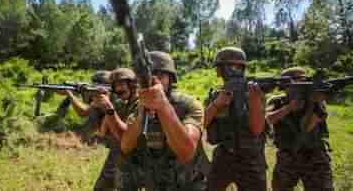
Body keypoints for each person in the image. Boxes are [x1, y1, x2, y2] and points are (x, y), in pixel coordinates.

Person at [118, 51, 209, 191]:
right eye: (148, 77)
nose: (154, 81)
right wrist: (142, 114)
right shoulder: (138, 107)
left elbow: (187, 152)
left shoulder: (189, 105)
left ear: (171, 79)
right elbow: (125, 146)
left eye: (160, 75)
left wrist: (163, 106)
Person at [204, 47, 267, 191]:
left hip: (251, 159)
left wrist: (254, 101)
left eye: (238, 67)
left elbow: (257, 129)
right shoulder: (215, 95)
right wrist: (216, 105)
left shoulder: (254, 92)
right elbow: (201, 123)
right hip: (224, 155)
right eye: (231, 66)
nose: (234, 70)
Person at [266, 67, 334, 191]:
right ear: (286, 86)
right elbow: (268, 119)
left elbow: (307, 127)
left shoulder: (315, 100)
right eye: (297, 82)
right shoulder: (277, 101)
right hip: (287, 157)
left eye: (304, 81)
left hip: (314, 156)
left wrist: (315, 103)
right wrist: (289, 108)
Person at [92, 68, 140, 191]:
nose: (118, 89)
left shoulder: (141, 105)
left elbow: (126, 135)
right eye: (115, 85)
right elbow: (102, 133)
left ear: (132, 84)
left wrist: (109, 107)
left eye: (121, 84)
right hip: (115, 155)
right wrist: (104, 108)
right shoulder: (119, 104)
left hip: (134, 159)